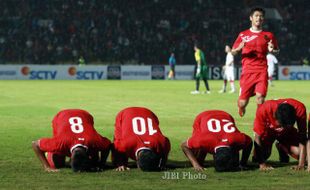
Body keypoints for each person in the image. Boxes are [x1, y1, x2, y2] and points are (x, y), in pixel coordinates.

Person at [231, 7, 279, 117]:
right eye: (256, 16)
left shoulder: (269, 35)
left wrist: (272, 50)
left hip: (262, 71)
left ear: (263, 19)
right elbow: (233, 52)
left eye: (261, 16)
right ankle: (240, 106)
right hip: (247, 72)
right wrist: (238, 49)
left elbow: (276, 50)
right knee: (243, 102)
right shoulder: (243, 35)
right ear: (251, 18)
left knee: (260, 98)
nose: (259, 18)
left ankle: (259, 121)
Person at [32, 109, 111, 172]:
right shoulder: (60, 143)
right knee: (56, 164)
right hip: (62, 116)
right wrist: (47, 167)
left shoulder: (94, 141)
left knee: (95, 162)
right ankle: (50, 152)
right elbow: (35, 144)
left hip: (85, 115)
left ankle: (93, 159)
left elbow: (108, 145)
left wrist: (101, 164)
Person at [181, 110, 252, 172]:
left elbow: (249, 142)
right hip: (203, 116)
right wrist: (195, 164)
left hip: (226, 115)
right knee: (199, 160)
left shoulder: (237, 138)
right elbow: (184, 145)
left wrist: (243, 163)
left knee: (234, 164)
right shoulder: (203, 139)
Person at [253, 98, 308, 171]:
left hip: (288, 133)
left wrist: (301, 164)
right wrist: (262, 164)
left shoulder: (299, 108)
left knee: (306, 156)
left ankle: (282, 147)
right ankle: (282, 146)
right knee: (257, 158)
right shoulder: (264, 108)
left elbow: (302, 136)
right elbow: (257, 137)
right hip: (269, 132)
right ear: (276, 118)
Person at [112, 107, 170, 171]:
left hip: (149, 113)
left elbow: (167, 143)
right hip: (124, 114)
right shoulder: (126, 144)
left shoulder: (160, 142)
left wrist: (163, 163)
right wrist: (120, 164)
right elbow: (115, 145)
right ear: (137, 162)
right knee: (116, 155)